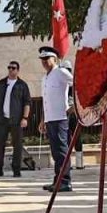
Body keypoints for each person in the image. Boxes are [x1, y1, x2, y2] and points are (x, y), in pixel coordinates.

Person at [37, 46, 74, 192]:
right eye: (42, 59)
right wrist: (43, 120)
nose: (44, 62)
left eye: (47, 59)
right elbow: (45, 100)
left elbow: (76, 84)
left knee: (61, 150)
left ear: (55, 59)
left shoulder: (61, 72)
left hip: (60, 117)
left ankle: (65, 181)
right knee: (55, 152)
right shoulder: (45, 78)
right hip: (50, 118)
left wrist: (74, 105)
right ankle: (58, 180)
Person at [0, 62, 31, 177]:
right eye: (9, 68)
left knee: (17, 145)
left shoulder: (22, 85)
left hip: (16, 120)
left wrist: (25, 118)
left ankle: (16, 169)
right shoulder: (1, 83)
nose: (11, 70)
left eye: (13, 68)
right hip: (2, 119)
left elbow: (27, 103)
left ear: (18, 70)